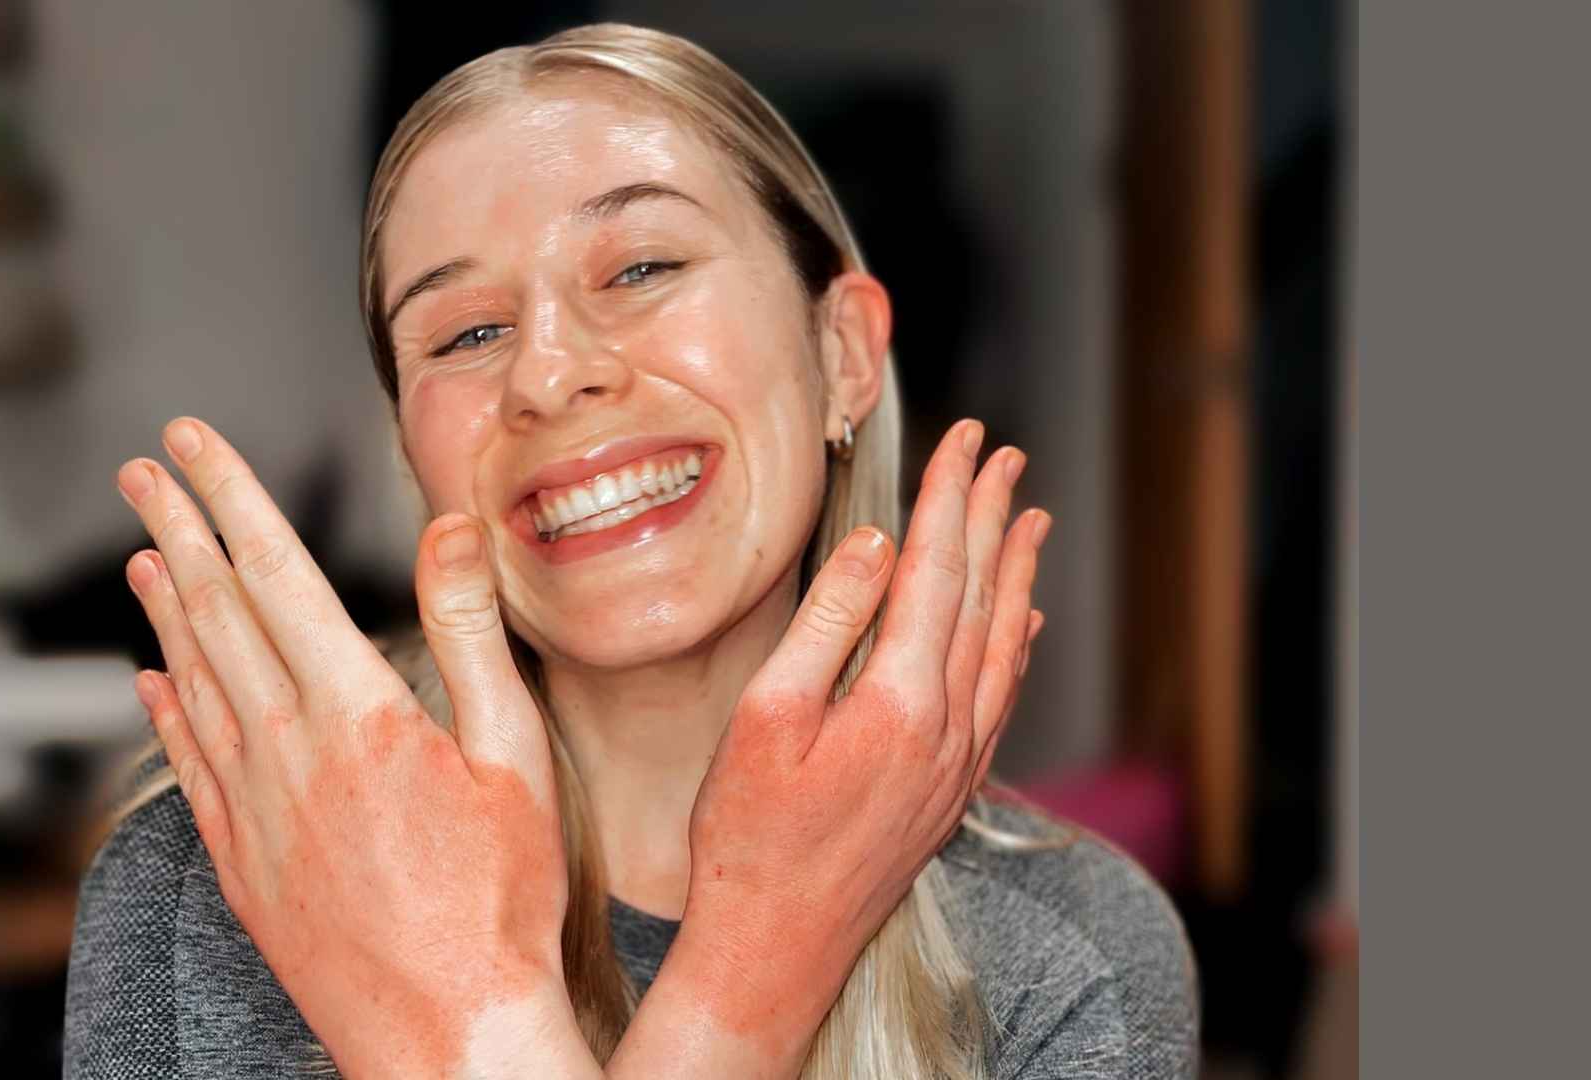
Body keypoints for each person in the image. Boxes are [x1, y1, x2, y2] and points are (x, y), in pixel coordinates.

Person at [65, 23, 1197, 1080]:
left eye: (642, 268)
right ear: (416, 455)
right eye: (467, 334)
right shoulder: (216, 882)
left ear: (843, 354)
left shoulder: (1075, 950)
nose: (550, 376)